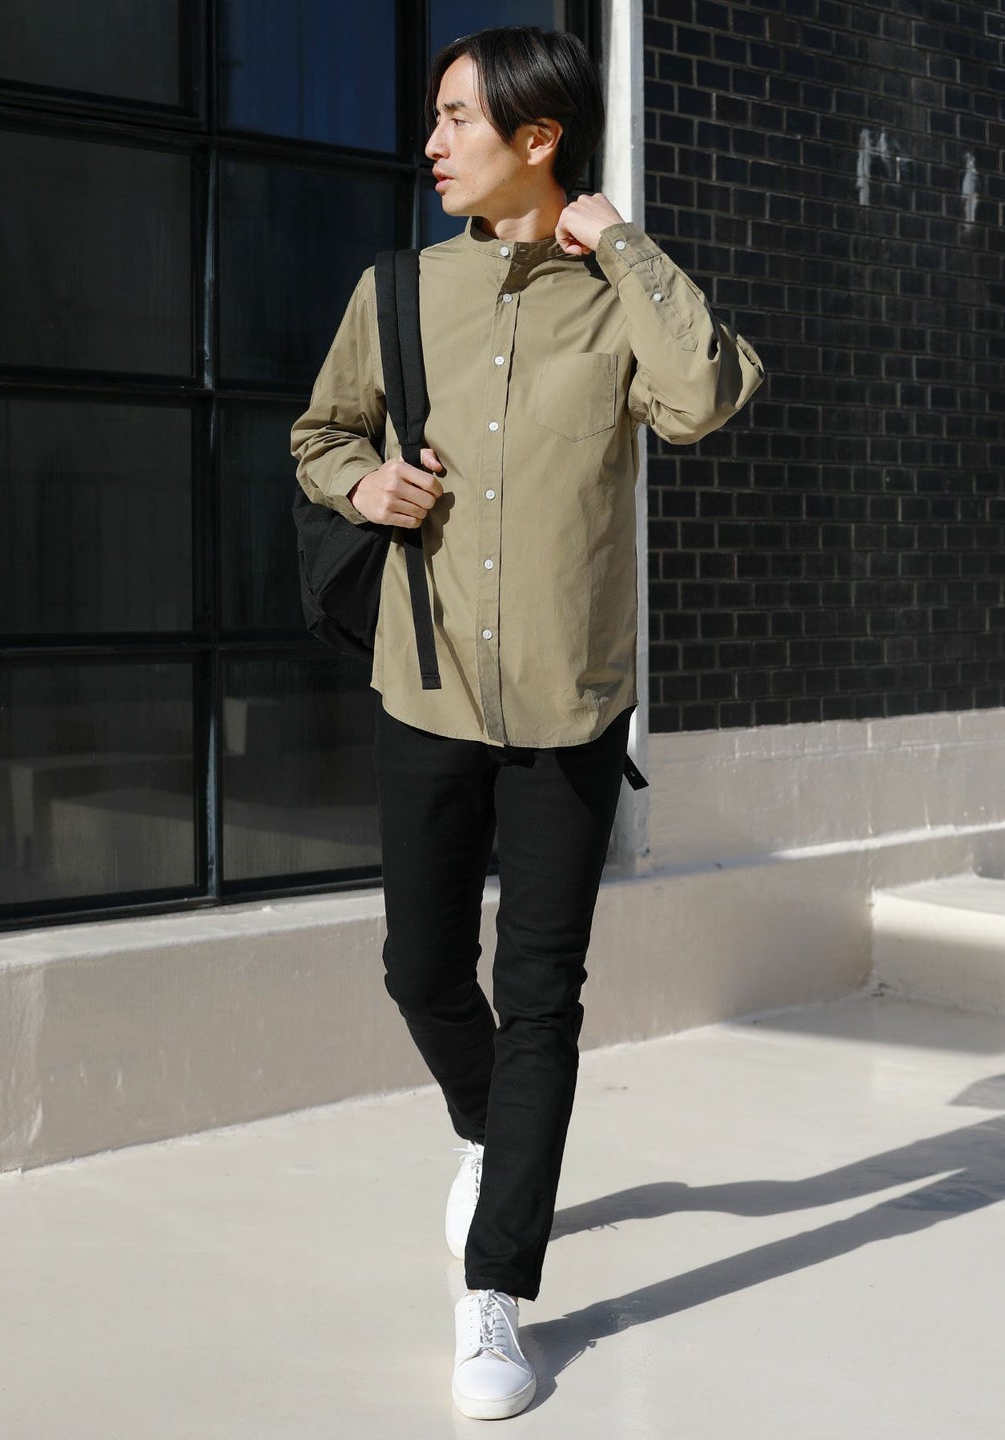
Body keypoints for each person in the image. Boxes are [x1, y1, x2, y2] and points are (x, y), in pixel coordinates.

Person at [292, 25, 763, 1421]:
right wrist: (365, 487)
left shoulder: (620, 297)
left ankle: (495, 1294)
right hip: (429, 686)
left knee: (544, 997)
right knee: (422, 969)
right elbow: (320, 435)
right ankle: (484, 1131)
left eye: (458, 119)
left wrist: (618, 239)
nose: (434, 143)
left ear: (538, 137)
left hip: (570, 707)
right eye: (436, 118)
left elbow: (706, 395)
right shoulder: (397, 288)